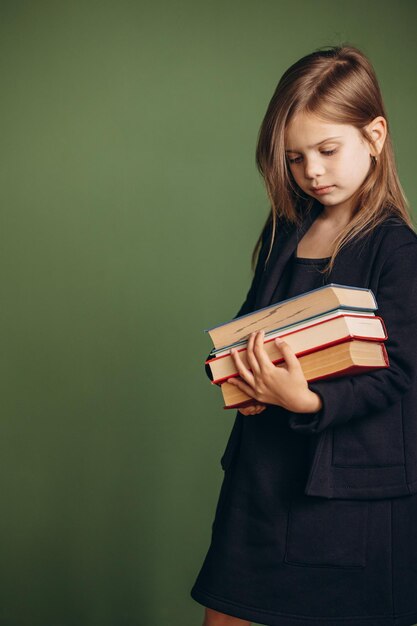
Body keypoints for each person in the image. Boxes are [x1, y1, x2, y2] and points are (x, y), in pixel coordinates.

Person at [190, 44, 417, 626]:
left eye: (327, 150)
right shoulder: (285, 229)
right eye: (295, 158)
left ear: (376, 135)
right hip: (260, 481)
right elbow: (248, 326)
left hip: (345, 499)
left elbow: (401, 372)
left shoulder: (397, 250)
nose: (312, 171)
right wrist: (238, 371)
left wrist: (309, 400)